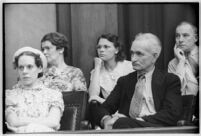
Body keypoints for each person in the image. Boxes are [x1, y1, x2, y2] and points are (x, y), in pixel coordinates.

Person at [91, 33, 182, 129]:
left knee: (121, 123)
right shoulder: (124, 81)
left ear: (155, 56)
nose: (133, 59)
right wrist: (106, 120)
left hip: (156, 129)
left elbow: (171, 114)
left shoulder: (170, 80)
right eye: (132, 53)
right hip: (126, 128)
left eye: (139, 54)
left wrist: (137, 121)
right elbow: (104, 108)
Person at [5, 47, 64, 133]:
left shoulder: (53, 95)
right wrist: (43, 121)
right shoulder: (10, 95)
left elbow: (53, 122)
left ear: (39, 68)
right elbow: (13, 122)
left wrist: (23, 122)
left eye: (29, 67)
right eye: (21, 67)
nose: (24, 71)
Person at [88, 33, 134, 104]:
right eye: (99, 47)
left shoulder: (130, 67)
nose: (101, 50)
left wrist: (102, 101)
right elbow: (93, 96)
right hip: (109, 112)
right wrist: (97, 67)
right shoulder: (95, 72)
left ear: (116, 50)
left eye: (106, 47)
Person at [168, 21, 199, 96]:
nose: (180, 40)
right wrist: (181, 61)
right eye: (177, 36)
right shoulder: (172, 64)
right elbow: (174, 92)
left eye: (185, 35)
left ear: (195, 38)